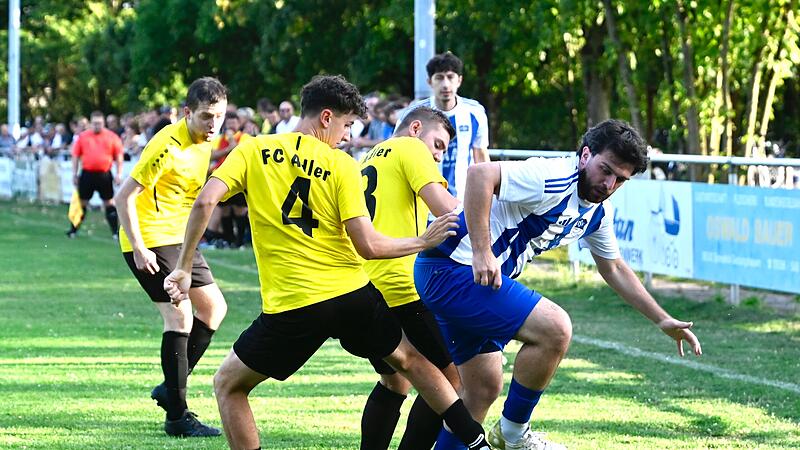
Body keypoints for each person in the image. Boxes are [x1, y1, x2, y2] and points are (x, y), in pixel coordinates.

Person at [163, 75, 491, 450]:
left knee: (228, 385)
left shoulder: (253, 150)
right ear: (326, 117)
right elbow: (366, 245)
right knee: (411, 362)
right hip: (354, 295)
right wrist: (422, 241)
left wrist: (184, 266)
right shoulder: (341, 165)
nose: (348, 135)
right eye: (347, 124)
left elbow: (206, 202)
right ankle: (475, 439)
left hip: (294, 305)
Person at [414, 119, 703, 450]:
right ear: (584, 155)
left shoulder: (596, 211)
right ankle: (512, 434)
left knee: (482, 389)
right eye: (605, 170)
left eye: (620, 180)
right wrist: (481, 251)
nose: (609, 184)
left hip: (469, 279)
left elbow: (615, 268)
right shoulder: (553, 176)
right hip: (451, 269)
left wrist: (661, 318)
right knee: (555, 328)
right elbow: (481, 175)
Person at [114, 77, 229, 438]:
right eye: (206, 117)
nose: (214, 125)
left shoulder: (205, 142)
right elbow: (124, 198)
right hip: (149, 238)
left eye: (220, 117)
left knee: (213, 309)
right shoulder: (167, 143)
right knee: (178, 315)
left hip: (179, 240)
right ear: (186, 113)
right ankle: (177, 416)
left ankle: (171, 386)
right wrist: (140, 247)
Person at [358, 106, 465, 450]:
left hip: (366, 285)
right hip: (401, 284)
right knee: (450, 381)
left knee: (394, 382)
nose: (438, 154)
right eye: (439, 144)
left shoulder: (367, 157)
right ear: (416, 128)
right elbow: (446, 209)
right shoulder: (411, 148)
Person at [397, 52, 490, 201]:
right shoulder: (414, 113)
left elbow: (481, 157)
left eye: (450, 77)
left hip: (463, 201)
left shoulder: (475, 112)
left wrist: (488, 195)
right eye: (439, 78)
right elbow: (397, 151)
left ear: (459, 80)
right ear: (430, 82)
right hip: (421, 202)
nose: (445, 84)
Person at [66, 111, 124, 239]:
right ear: (91, 123)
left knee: (109, 203)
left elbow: (119, 156)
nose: (97, 126)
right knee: (82, 203)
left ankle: (115, 232)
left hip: (104, 174)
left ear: (103, 123)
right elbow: (75, 156)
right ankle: (73, 230)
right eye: (95, 123)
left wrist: (119, 174)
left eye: (99, 123)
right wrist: (74, 173)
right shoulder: (83, 137)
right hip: (87, 174)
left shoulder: (112, 137)